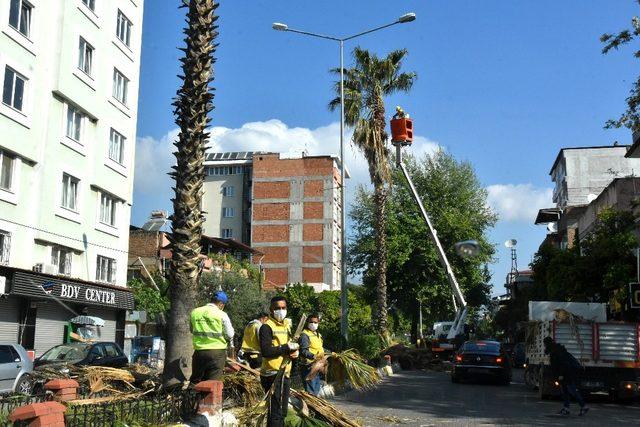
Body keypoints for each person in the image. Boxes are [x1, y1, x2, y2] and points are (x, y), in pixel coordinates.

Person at [259, 296, 299, 427]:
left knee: (282, 412)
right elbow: (266, 351)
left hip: (284, 373)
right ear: (271, 310)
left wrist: (293, 353)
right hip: (273, 375)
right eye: (277, 308)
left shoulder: (286, 326)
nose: (281, 310)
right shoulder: (266, 327)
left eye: (283, 308)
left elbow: (288, 347)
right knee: (276, 413)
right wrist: (285, 348)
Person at [190, 291, 235, 382]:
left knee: (196, 381)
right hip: (217, 353)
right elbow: (230, 334)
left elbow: (191, 330)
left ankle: (193, 396)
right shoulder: (222, 314)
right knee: (212, 383)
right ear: (221, 304)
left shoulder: (195, 312)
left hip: (199, 352)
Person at [543, 336, 589, 416]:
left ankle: (583, 406)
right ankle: (566, 408)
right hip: (567, 372)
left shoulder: (556, 351)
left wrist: (560, 375)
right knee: (565, 391)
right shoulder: (557, 349)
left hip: (567, 373)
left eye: (545, 344)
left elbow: (562, 365)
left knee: (572, 390)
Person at [298, 314, 325, 396]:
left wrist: (331, 353)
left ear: (318, 323)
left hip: (318, 366)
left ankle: (314, 407)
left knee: (316, 391)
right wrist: (314, 356)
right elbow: (303, 351)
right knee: (310, 392)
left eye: (315, 322)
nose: (313, 324)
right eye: (311, 322)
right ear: (307, 323)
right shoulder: (304, 335)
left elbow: (320, 348)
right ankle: (310, 407)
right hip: (309, 366)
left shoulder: (318, 335)